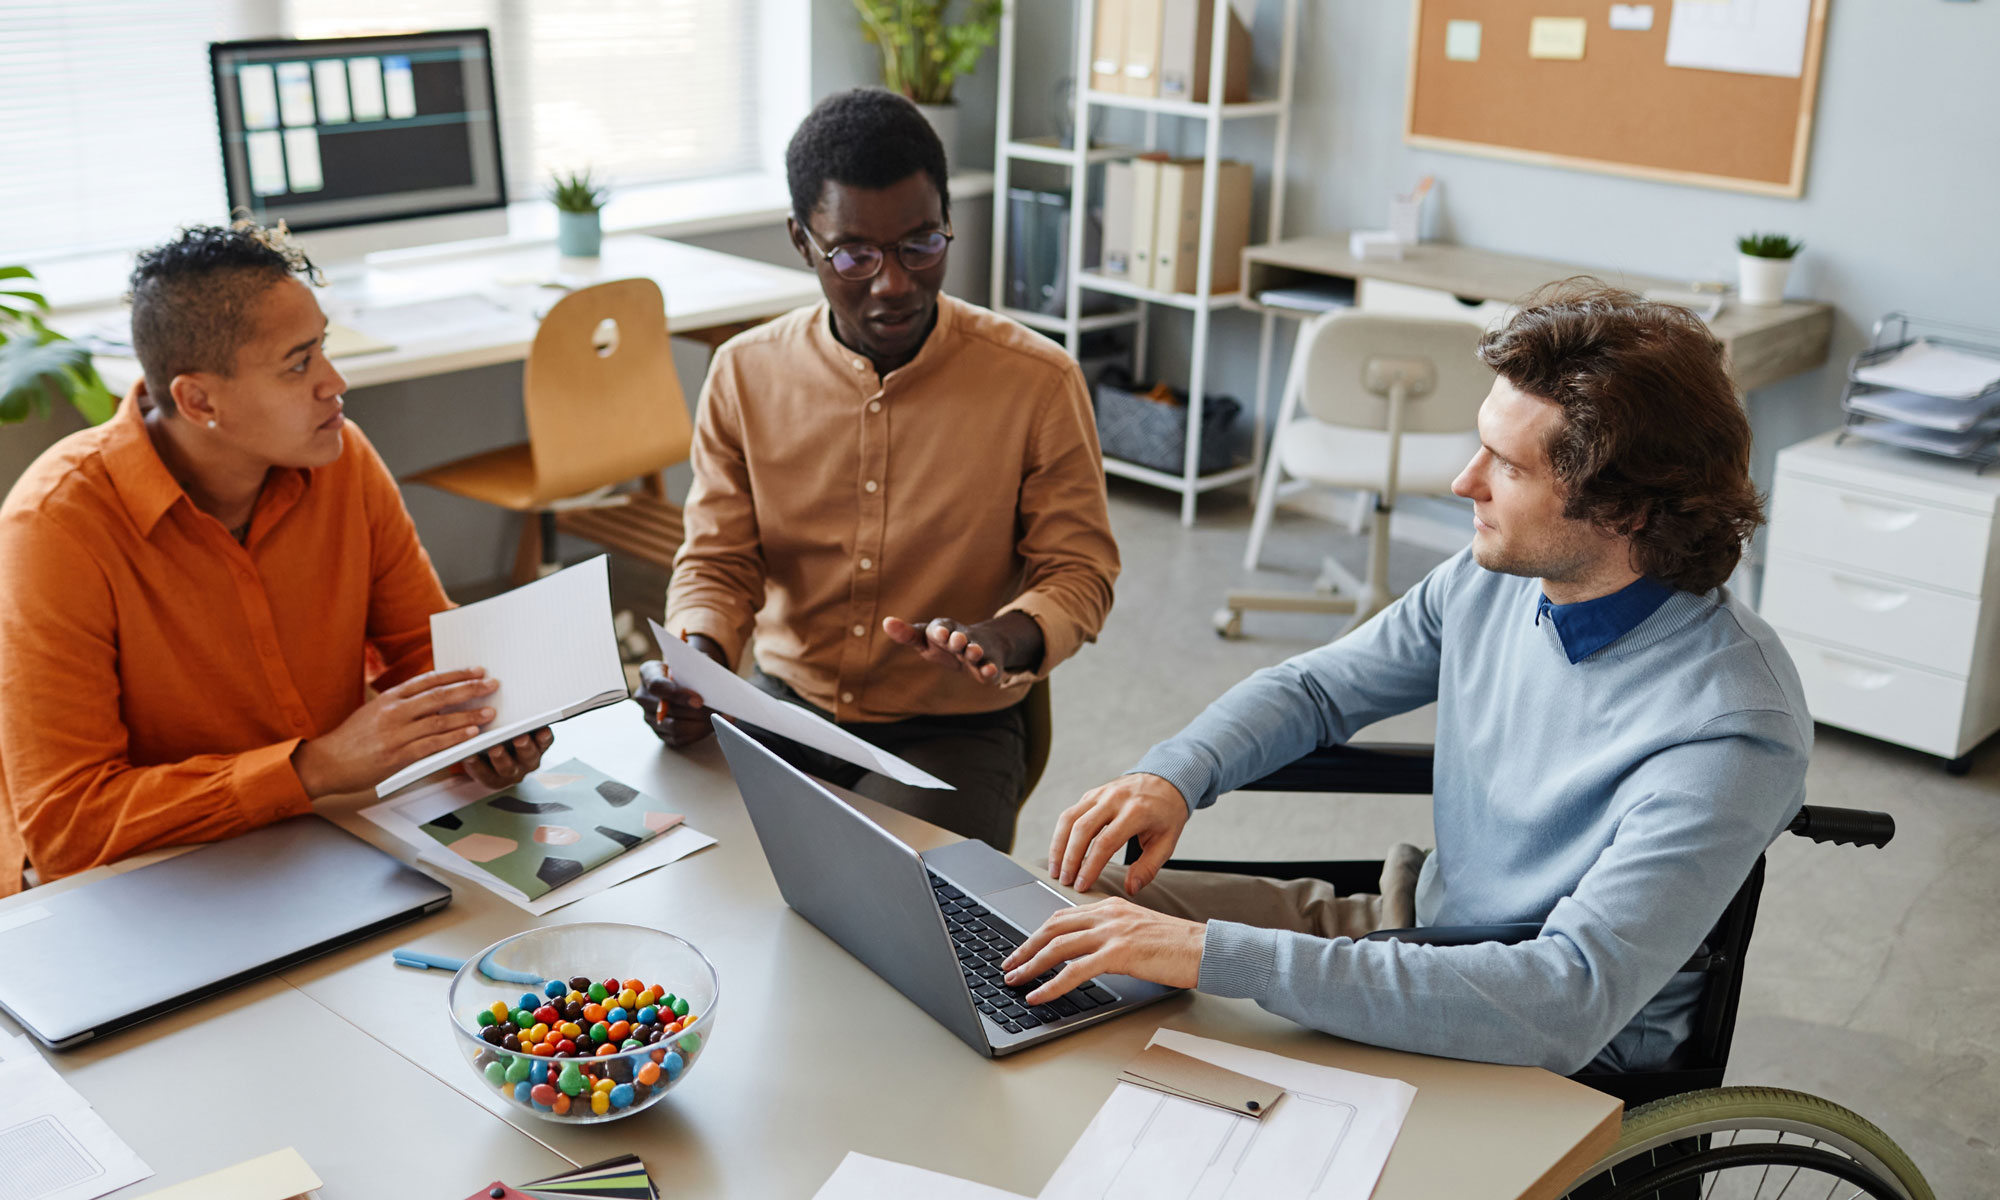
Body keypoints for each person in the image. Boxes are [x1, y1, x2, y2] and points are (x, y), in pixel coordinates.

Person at [1000, 282, 1811, 1074]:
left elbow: (1565, 997)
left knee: (1158, 996)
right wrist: (1175, 774)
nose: (1464, 482)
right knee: (1072, 906)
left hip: (1532, 1042)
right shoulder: (1492, 579)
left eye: (1507, 466)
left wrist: (1216, 957)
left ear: (1629, 510)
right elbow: (1319, 689)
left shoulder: (1732, 725)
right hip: (1410, 926)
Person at [0, 222, 550, 896]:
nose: (335, 382)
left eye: (322, 347)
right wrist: (311, 768)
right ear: (198, 400)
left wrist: (485, 734)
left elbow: (424, 651)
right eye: (298, 363)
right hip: (152, 884)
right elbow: (68, 830)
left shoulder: (343, 458)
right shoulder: (56, 525)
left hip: (325, 844)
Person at [636, 88, 1119, 852]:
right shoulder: (745, 373)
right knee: (674, 863)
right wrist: (699, 668)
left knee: (889, 906)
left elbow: (1079, 571)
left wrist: (1008, 637)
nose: (893, 283)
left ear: (948, 224)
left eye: (921, 245)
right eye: (855, 255)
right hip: (785, 707)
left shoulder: (1037, 381)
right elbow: (720, 562)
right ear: (803, 241)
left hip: (952, 731)